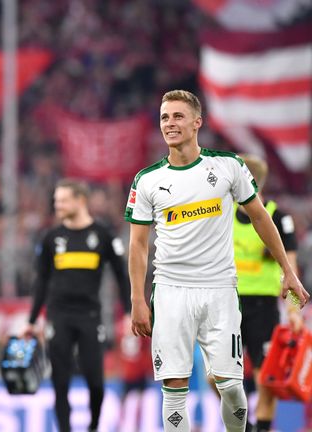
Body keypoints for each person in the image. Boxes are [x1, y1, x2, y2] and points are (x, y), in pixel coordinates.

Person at [125, 89, 309, 432]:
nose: (170, 123)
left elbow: (259, 218)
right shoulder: (147, 180)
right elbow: (138, 245)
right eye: (165, 117)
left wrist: (288, 271)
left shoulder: (227, 167)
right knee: (174, 386)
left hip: (221, 290)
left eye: (178, 116)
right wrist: (137, 299)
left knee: (232, 387)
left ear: (197, 122)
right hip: (170, 290)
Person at [23, 179, 131, 432]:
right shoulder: (51, 238)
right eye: (56, 200)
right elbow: (41, 283)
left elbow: (121, 277)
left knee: (96, 382)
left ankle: (93, 426)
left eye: (62, 200)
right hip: (58, 317)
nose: (57, 205)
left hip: (90, 317)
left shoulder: (103, 235)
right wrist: (31, 321)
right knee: (60, 383)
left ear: (80, 201)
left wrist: (128, 313)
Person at [230, 154, 302, 432]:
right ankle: (244, 425)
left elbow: (291, 270)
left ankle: (260, 428)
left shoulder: (279, 219)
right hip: (229, 304)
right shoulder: (224, 216)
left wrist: (294, 311)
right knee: (217, 377)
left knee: (265, 377)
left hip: (263, 307)